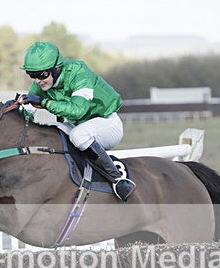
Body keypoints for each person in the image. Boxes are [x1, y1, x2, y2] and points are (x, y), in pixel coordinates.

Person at [17, 41, 135, 201]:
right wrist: (15, 109)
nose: (38, 80)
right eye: (32, 75)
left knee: (78, 135)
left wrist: (45, 103)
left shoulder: (78, 72)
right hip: (77, 125)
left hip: (106, 124)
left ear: (56, 69)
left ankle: (118, 180)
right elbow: (26, 114)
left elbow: (78, 110)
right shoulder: (41, 83)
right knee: (49, 133)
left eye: (42, 75)